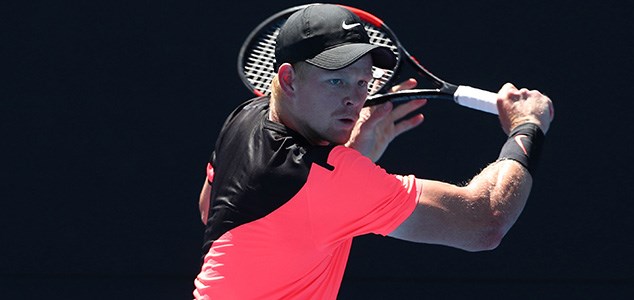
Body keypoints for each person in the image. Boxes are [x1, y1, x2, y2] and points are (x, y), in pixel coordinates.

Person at [193, 4, 554, 299]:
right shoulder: (327, 176)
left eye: (363, 81)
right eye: (336, 80)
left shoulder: (244, 117)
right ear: (288, 79)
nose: (355, 98)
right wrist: (526, 127)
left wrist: (355, 155)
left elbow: (211, 209)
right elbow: (485, 222)